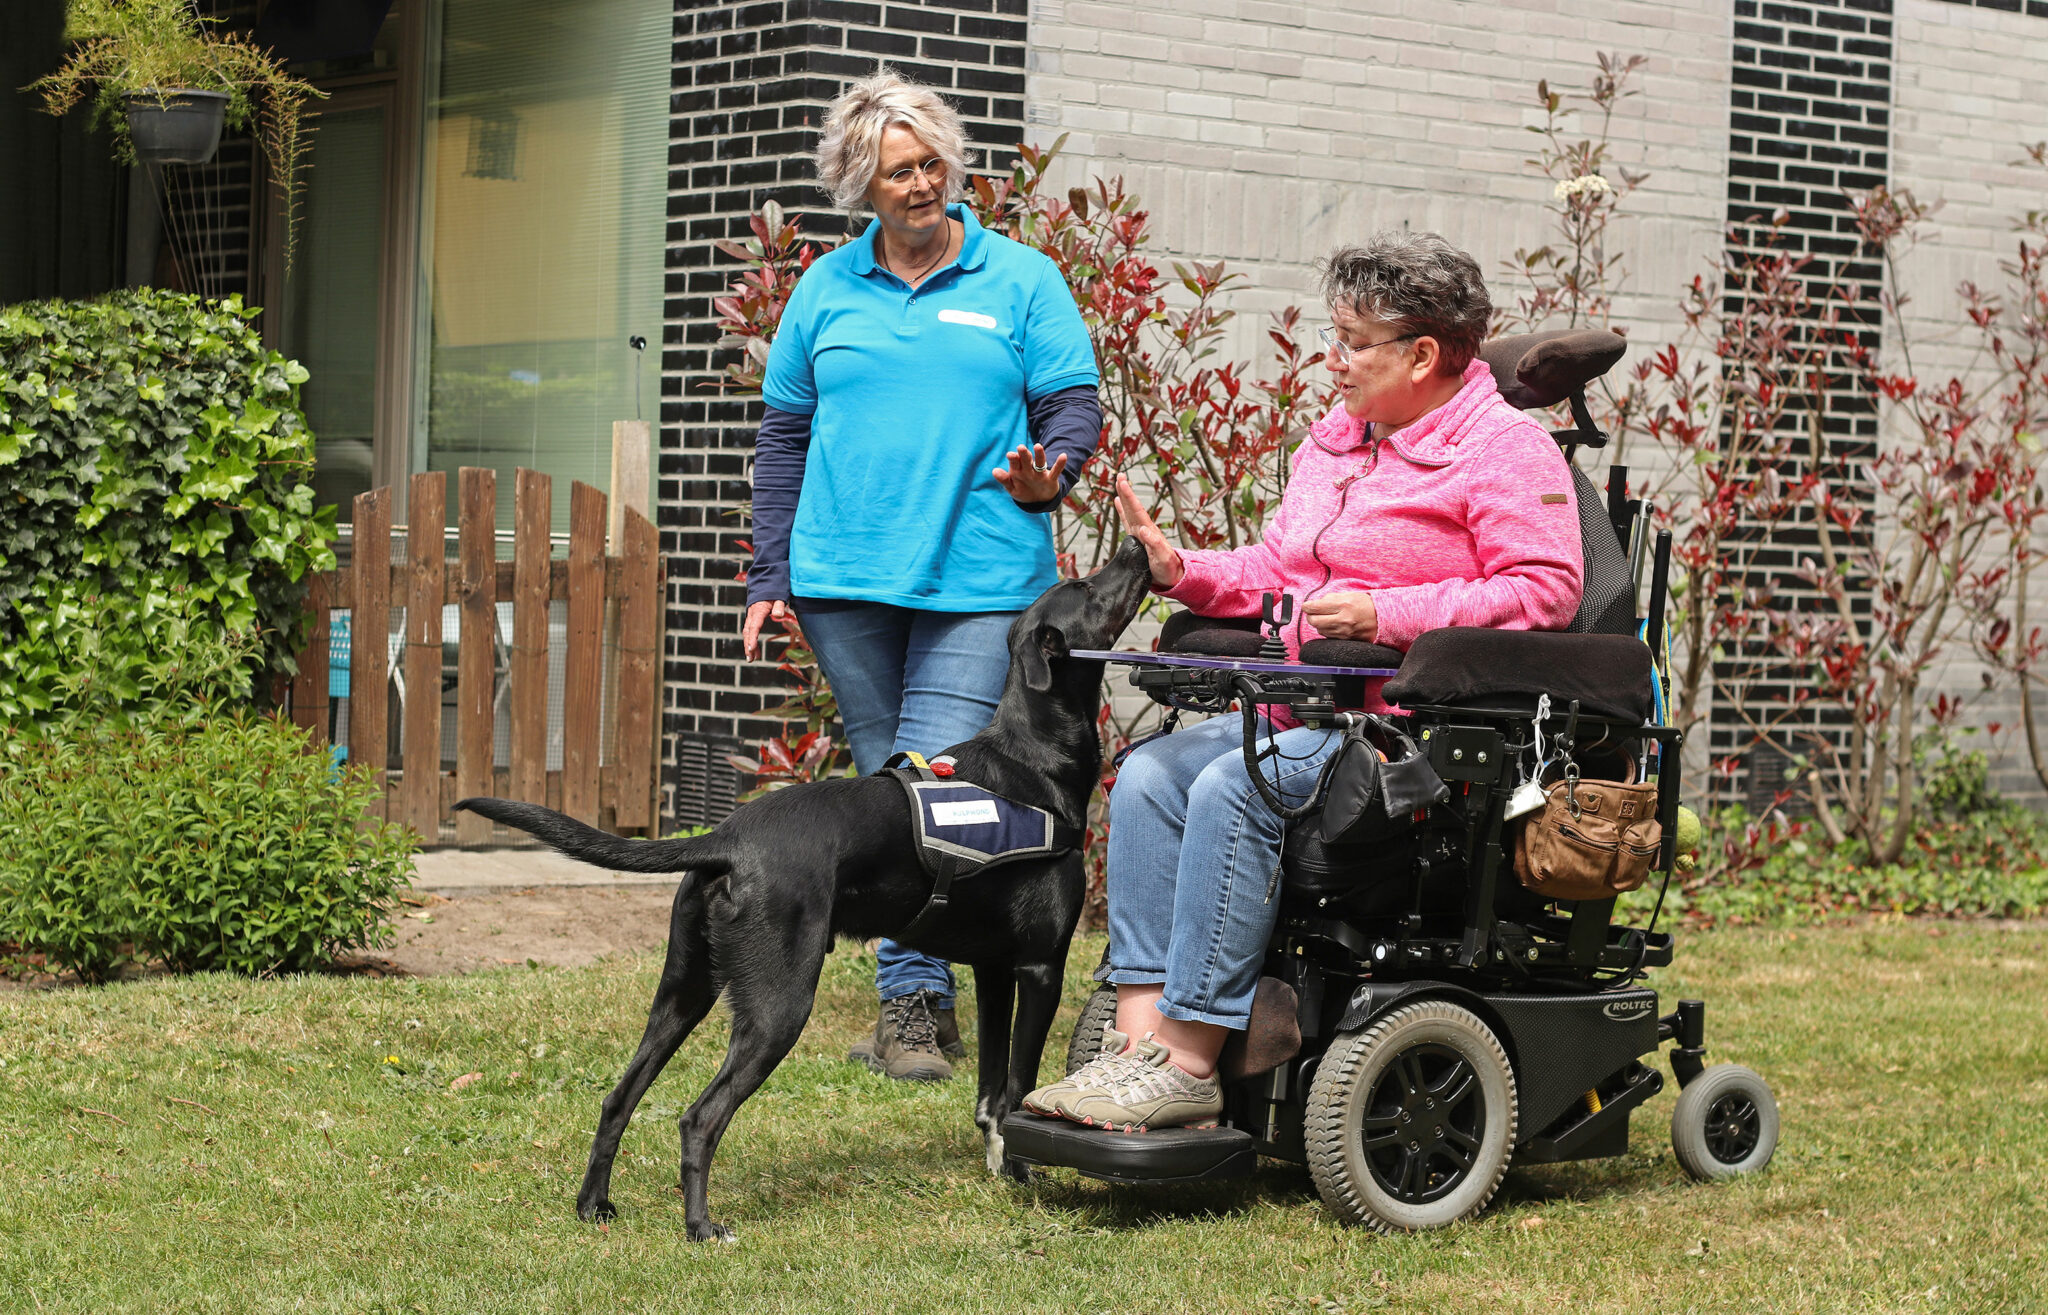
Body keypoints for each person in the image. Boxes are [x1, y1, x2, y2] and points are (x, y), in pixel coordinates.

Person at [1023, 231, 1584, 1132]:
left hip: (1410, 738)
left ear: (1423, 354)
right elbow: (1281, 568)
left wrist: (1386, 614)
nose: (1336, 359)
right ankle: (1137, 1047)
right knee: (1152, 776)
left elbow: (1546, 590)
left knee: (1228, 782)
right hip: (1302, 714)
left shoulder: (1504, 449)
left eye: (1355, 342)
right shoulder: (1337, 445)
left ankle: (1193, 1056)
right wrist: (1185, 572)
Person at [741, 69, 1102, 1083]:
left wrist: (1051, 477)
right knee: (884, 783)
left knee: (926, 782)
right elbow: (783, 438)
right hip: (843, 582)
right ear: (860, 185)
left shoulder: (1019, 280)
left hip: (981, 575)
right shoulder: (824, 289)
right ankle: (920, 998)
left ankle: (909, 1001)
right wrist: (769, 569)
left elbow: (1072, 404)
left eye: (931, 162)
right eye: (897, 171)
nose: (920, 184)